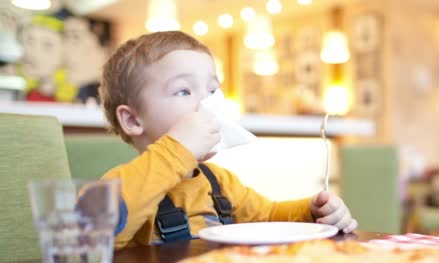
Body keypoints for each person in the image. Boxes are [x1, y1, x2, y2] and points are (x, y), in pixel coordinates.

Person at [99, 31, 358, 249]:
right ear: (133, 120)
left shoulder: (220, 182)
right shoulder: (119, 185)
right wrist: (177, 150)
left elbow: (267, 217)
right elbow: (97, 235)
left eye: (212, 90)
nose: (208, 104)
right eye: (183, 91)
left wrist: (312, 213)